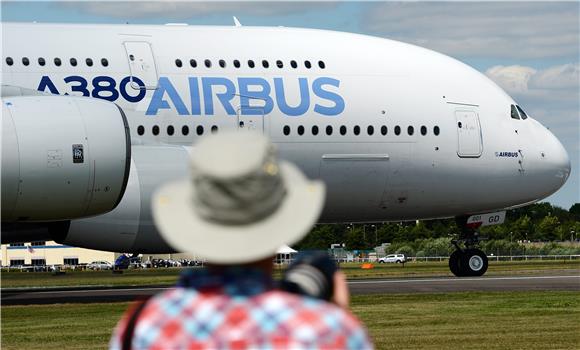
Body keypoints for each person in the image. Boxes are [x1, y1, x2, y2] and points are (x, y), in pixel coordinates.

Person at [109, 132, 372, 349]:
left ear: (195, 223)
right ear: (280, 221)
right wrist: (337, 314)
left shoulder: (142, 326)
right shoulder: (326, 330)